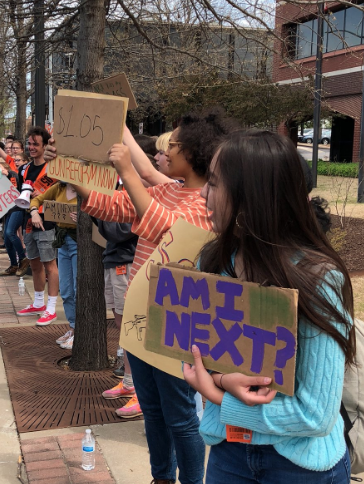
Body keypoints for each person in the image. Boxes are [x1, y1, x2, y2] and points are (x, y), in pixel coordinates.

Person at [45, 108, 234, 484]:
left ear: (192, 153)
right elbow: (111, 205)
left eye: (173, 145)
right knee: (152, 409)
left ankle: (191, 480)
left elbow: (167, 232)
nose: (165, 150)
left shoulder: (208, 204)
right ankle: (161, 477)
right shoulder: (170, 189)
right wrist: (73, 177)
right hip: (140, 319)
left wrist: (128, 172)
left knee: (180, 416)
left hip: (177, 325)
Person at [183, 129, 355, 484]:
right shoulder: (213, 262)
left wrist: (218, 394)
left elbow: (316, 414)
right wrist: (219, 377)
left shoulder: (319, 278)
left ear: (251, 198)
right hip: (228, 453)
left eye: (214, 183)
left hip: (300, 467)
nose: (202, 192)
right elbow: (192, 353)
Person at [15, 126, 59, 326]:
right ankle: (38, 302)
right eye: (29, 143)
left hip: (46, 221)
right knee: (33, 262)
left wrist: (38, 197)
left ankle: (51, 308)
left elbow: (58, 196)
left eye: (35, 144)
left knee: (50, 264)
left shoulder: (53, 169)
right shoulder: (23, 169)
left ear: (44, 146)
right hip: (28, 220)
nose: (31, 147)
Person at [96, 217, 139, 416]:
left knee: (133, 329)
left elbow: (117, 231)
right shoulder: (122, 194)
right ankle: (130, 383)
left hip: (128, 262)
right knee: (122, 326)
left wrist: (98, 213)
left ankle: (141, 392)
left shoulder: (139, 194)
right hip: (114, 261)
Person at [28, 182, 78, 347]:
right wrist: (34, 212)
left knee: (79, 289)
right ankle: (72, 328)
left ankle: (79, 331)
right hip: (63, 243)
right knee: (66, 289)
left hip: (80, 242)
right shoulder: (59, 188)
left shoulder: (86, 188)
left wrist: (86, 217)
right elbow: (37, 200)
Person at [0, 136, 29, 277]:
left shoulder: (25, 171)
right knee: (7, 238)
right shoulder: (11, 163)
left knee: (10, 233)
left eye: (19, 159)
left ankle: (23, 259)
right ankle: (14, 264)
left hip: (19, 207)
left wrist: (10, 173)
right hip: (8, 206)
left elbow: (19, 182)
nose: (16, 161)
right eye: (15, 160)